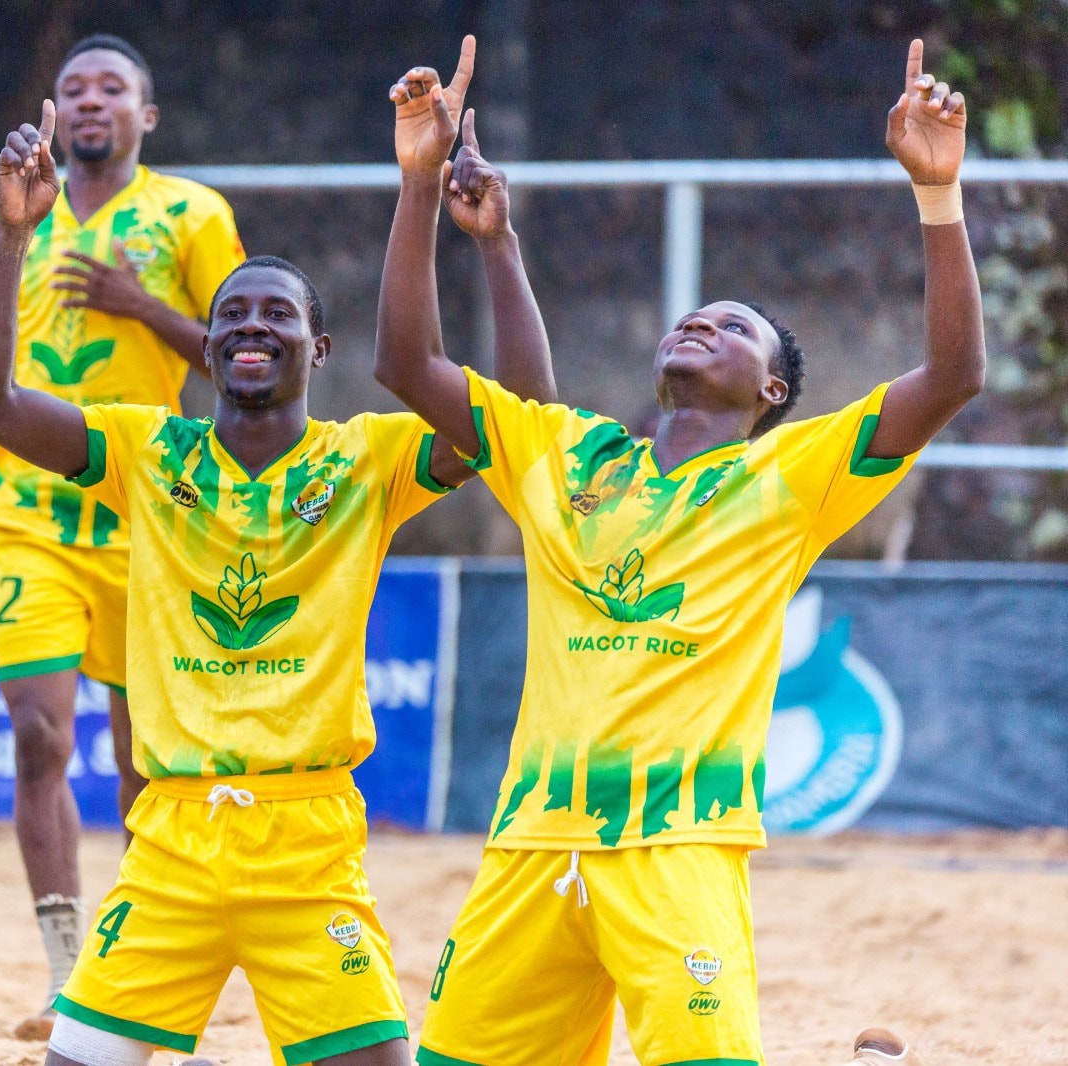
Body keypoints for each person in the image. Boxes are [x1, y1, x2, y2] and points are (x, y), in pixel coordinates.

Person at [374, 39, 980, 1066]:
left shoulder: (789, 477)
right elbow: (404, 362)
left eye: (732, 326)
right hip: (530, 848)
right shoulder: (567, 455)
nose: (699, 320)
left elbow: (954, 374)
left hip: (677, 850)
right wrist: (422, 186)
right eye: (691, 316)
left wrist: (937, 197)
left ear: (771, 393)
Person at [0, 62, 551, 1064]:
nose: (248, 326)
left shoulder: (367, 456)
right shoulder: (150, 450)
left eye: (274, 314)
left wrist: (462, 221)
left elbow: (528, 425)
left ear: (318, 347)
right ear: (212, 346)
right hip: (173, 846)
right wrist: (11, 234)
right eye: (230, 315)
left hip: (307, 845)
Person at [0, 34, 248, 1037]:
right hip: (29, 508)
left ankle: (141, 969)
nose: (88, 101)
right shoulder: (15, 210)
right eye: (72, 87)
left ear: (145, 117)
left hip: (145, 513)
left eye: (111, 88)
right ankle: (65, 967)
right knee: (37, 733)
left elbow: (251, 353)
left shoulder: (190, 213)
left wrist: (140, 307)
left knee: (140, 770)